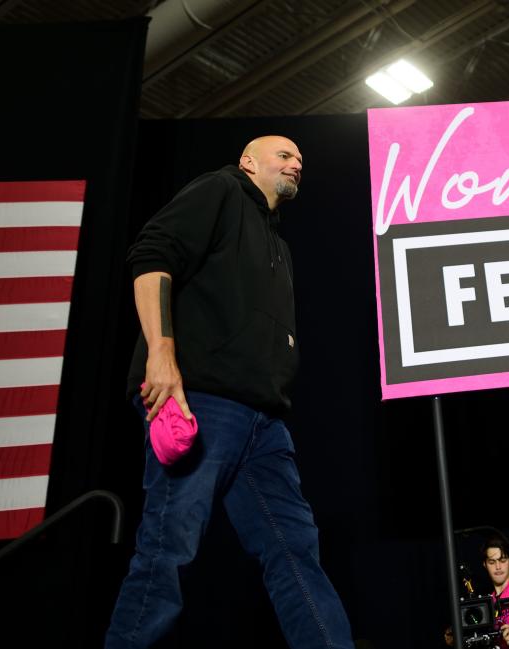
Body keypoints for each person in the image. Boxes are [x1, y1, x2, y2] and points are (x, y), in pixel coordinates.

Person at [105, 136, 354, 649]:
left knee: (295, 550)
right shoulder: (219, 189)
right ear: (249, 162)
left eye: (301, 160)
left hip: (265, 424)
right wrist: (161, 354)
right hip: (200, 402)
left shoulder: (279, 245)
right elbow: (151, 256)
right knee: (168, 546)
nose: (296, 163)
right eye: (284, 155)